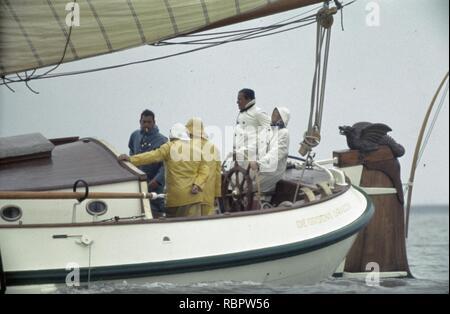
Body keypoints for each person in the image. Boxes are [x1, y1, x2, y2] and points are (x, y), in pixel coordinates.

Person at [119, 123, 209, 218]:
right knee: (193, 227)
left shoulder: (169, 146)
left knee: (174, 228)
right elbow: (205, 170)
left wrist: (131, 159)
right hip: (194, 198)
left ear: (172, 135)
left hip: (176, 198)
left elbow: (151, 156)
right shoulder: (197, 149)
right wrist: (197, 184)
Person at [128, 110, 168, 218]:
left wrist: (158, 180)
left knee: (156, 205)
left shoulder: (163, 140)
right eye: (144, 122)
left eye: (149, 122)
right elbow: (131, 151)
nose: (146, 125)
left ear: (154, 122)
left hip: (154, 182)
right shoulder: (135, 135)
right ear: (140, 122)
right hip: (138, 180)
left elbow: (165, 165)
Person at [249, 107, 290, 194]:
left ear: (282, 118)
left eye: (276, 114)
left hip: (273, 171)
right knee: (238, 177)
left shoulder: (284, 133)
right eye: (273, 113)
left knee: (248, 187)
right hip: (260, 167)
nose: (272, 116)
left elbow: (276, 153)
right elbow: (255, 145)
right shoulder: (268, 131)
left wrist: (259, 163)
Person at [186, 117, 221, 216]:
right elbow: (218, 174)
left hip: (192, 195)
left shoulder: (186, 147)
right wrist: (217, 195)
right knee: (208, 226)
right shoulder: (214, 148)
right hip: (209, 196)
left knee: (193, 225)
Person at [233, 88, 271, 163]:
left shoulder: (259, 113)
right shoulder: (241, 114)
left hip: (252, 158)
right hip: (238, 157)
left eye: (240, 99)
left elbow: (269, 132)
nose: (237, 102)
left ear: (248, 99)